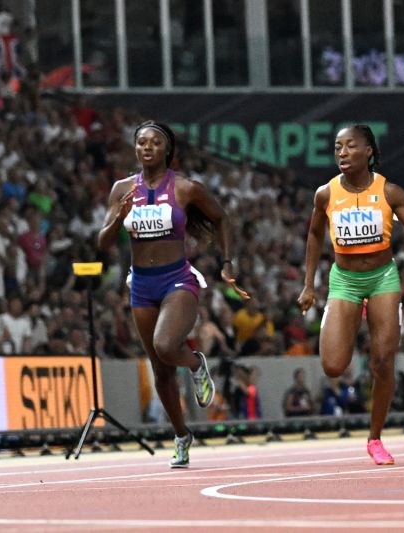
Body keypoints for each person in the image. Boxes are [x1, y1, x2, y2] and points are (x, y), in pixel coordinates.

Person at [98, 120, 249, 468]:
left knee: (167, 346)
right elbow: (102, 242)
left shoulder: (185, 188)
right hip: (141, 284)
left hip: (177, 280)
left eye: (154, 143)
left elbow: (222, 218)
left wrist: (227, 264)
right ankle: (182, 436)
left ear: (167, 149)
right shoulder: (122, 189)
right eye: (140, 143)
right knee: (161, 370)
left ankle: (196, 364)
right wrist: (116, 218)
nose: (146, 148)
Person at [297, 124, 404, 465]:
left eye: (350, 146)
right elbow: (314, 236)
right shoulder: (325, 194)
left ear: (368, 151)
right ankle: (354, 310)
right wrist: (309, 284)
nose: (342, 153)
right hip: (344, 280)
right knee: (332, 366)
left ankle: (375, 439)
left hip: (382, 280)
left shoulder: (388, 191)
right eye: (337, 147)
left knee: (383, 361)